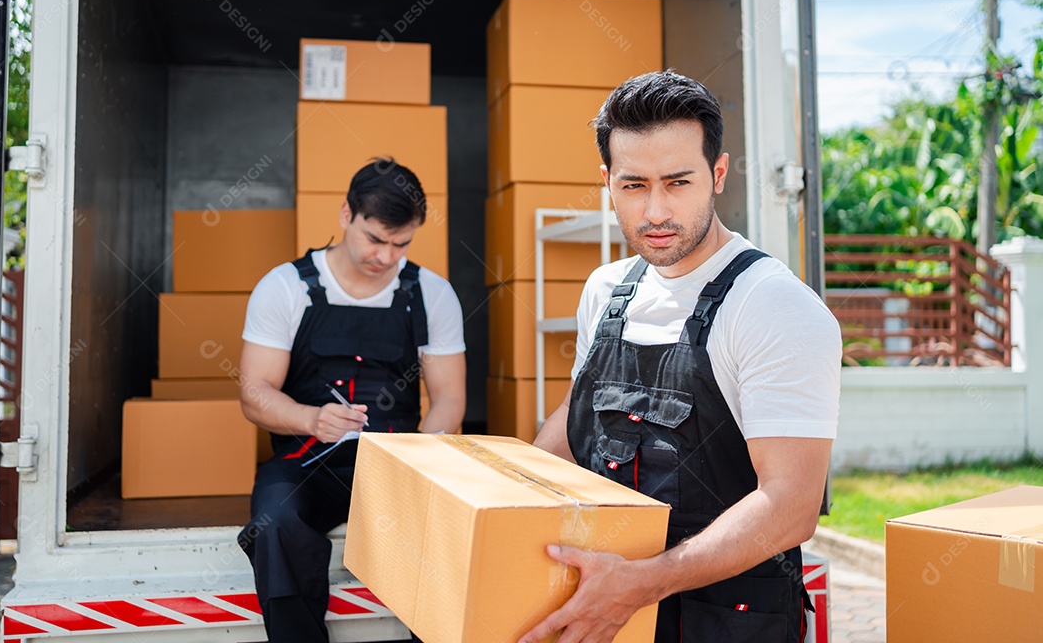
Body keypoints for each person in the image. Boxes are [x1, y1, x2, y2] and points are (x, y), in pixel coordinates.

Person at [523, 71, 841, 643]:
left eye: (678, 182)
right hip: (611, 608)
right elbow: (571, 434)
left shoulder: (772, 305)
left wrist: (641, 583)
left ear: (717, 174)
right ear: (606, 182)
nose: (655, 213)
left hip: (727, 621)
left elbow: (791, 506)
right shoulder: (605, 290)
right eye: (633, 186)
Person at [236, 158, 466, 643]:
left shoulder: (431, 294)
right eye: (375, 239)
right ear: (346, 214)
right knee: (274, 522)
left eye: (401, 244)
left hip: (398, 464)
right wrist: (311, 418)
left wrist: (422, 459)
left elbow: (448, 400)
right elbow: (254, 394)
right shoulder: (286, 287)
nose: (385, 256)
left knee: (452, 530)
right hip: (308, 461)